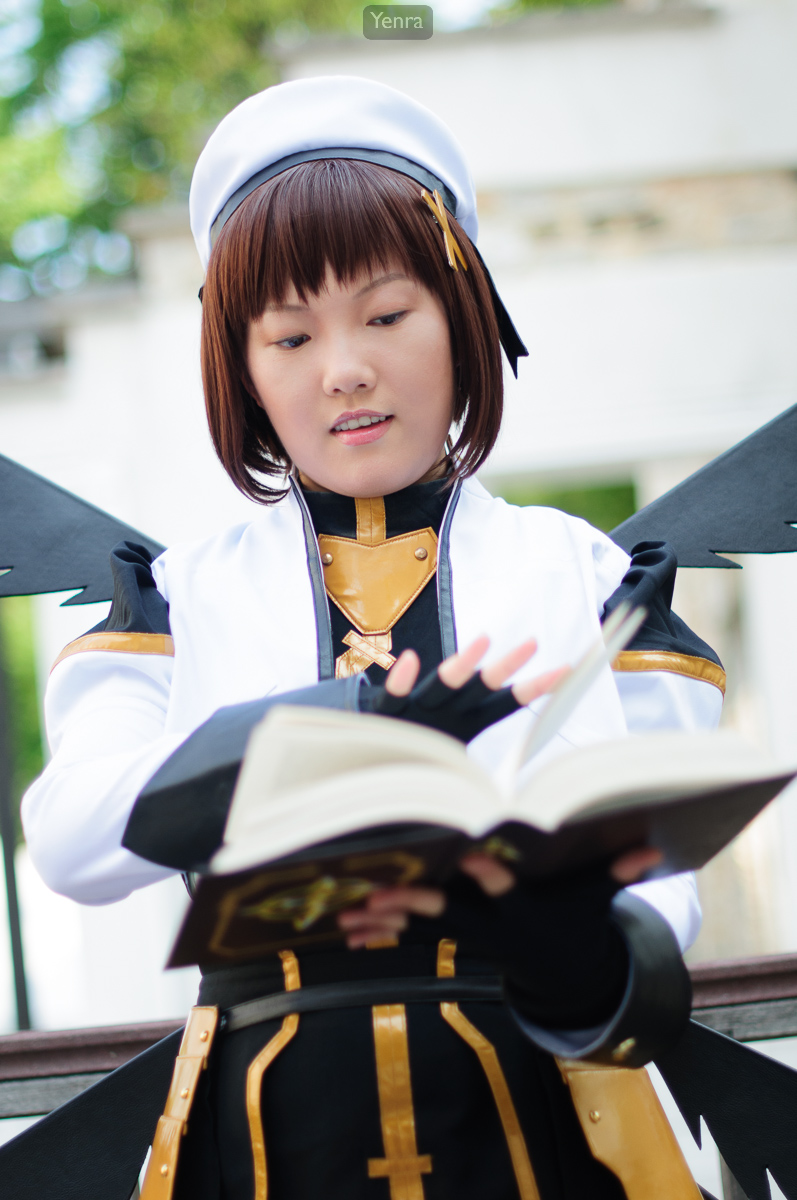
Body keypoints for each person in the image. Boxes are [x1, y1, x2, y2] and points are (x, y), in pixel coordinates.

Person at [21, 77, 726, 1200]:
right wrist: (335, 724)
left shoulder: (582, 574)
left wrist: (562, 922)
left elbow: (660, 876)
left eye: (386, 316)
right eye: (288, 335)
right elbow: (70, 841)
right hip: (261, 1137)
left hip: (546, 1113)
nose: (341, 367)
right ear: (241, 371)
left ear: (461, 317)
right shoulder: (169, 600)